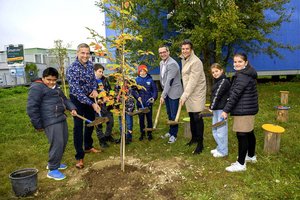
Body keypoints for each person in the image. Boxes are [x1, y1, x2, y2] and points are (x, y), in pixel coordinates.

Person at [27, 67, 77, 180]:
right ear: (43, 78)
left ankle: (56, 162)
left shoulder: (56, 87)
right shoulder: (37, 88)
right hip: (50, 120)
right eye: (48, 79)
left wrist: (72, 108)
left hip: (60, 118)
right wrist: (38, 125)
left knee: (63, 142)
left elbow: (64, 99)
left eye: (54, 80)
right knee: (57, 143)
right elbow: (31, 108)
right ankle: (53, 169)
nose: (51, 82)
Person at [221, 53, 259, 172]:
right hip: (248, 108)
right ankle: (251, 156)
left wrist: (226, 110)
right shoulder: (246, 73)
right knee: (249, 132)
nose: (237, 64)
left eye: (240, 62)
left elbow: (235, 95)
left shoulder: (243, 76)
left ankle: (241, 164)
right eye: (235, 62)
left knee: (242, 135)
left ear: (246, 63)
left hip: (244, 109)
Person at [66, 43, 101, 169]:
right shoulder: (72, 69)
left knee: (91, 122)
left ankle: (88, 146)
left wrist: (95, 89)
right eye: (83, 53)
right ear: (77, 53)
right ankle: (79, 157)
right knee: (78, 127)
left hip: (89, 97)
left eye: (87, 53)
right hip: (77, 99)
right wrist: (92, 104)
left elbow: (93, 81)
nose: (85, 55)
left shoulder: (90, 65)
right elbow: (76, 91)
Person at [179, 39, 206, 154]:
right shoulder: (183, 59)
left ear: (191, 49)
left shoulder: (196, 62)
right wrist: (185, 94)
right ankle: (194, 138)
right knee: (191, 116)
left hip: (197, 92)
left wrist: (184, 95)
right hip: (189, 92)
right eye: (183, 49)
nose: (185, 51)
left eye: (187, 49)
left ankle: (200, 144)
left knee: (197, 117)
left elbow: (193, 81)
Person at [158, 45, 183, 144]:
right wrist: (164, 92)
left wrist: (162, 95)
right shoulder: (161, 63)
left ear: (168, 52)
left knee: (174, 114)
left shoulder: (172, 64)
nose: (162, 54)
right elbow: (162, 78)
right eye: (160, 53)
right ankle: (170, 131)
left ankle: (174, 135)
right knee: (169, 113)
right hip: (167, 91)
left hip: (174, 92)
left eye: (164, 52)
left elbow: (169, 81)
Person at [210, 63, 231, 158]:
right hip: (216, 109)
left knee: (221, 131)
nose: (215, 73)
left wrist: (211, 107)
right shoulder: (217, 81)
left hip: (221, 110)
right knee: (215, 129)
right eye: (213, 72)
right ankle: (219, 147)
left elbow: (217, 95)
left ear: (221, 71)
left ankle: (223, 151)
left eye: (216, 71)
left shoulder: (224, 81)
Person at [94, 64, 115, 148]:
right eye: (99, 71)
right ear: (94, 71)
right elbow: (89, 94)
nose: (101, 73)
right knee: (99, 123)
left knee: (111, 121)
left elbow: (109, 90)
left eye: (102, 71)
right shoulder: (91, 81)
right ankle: (102, 140)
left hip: (107, 105)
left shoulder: (105, 80)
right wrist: (98, 100)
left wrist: (110, 97)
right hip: (97, 106)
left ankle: (107, 136)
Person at [135, 65, 158, 141]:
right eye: (141, 71)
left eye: (144, 71)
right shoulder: (136, 80)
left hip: (148, 103)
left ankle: (149, 133)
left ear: (146, 71)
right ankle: (142, 133)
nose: (142, 72)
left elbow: (155, 91)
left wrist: (153, 98)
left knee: (149, 118)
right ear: (139, 72)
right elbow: (133, 91)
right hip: (140, 103)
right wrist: (137, 96)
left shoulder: (150, 80)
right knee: (141, 119)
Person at [114, 79, 135, 144]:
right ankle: (122, 137)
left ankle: (129, 138)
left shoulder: (130, 89)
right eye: (121, 83)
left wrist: (123, 98)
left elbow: (130, 99)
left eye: (125, 83)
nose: (123, 84)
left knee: (129, 123)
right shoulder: (118, 89)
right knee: (121, 124)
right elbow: (115, 96)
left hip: (128, 108)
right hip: (120, 108)